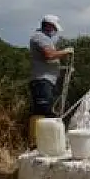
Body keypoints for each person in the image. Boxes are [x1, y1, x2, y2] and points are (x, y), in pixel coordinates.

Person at [28, 14, 73, 143]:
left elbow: (48, 60)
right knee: (44, 112)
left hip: (47, 81)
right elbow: (49, 55)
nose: (55, 31)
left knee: (44, 111)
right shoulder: (40, 37)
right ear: (48, 26)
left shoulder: (45, 38)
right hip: (42, 80)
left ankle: (40, 142)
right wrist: (65, 52)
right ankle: (39, 142)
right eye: (54, 28)